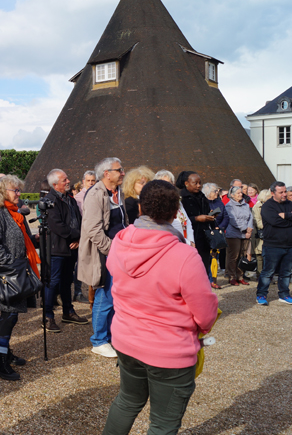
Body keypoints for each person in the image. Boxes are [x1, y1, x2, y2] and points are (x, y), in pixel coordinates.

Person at [102, 180, 219, 435]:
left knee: (127, 401)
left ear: (140, 207)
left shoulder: (120, 241)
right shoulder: (184, 255)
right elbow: (205, 313)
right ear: (176, 211)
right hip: (169, 350)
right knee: (163, 423)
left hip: (126, 340)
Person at [0, 175, 37, 380]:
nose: (19, 194)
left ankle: (6, 352)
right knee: (8, 316)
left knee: (11, 316)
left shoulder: (13, 213)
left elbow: (21, 239)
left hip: (16, 272)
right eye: (15, 190)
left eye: (19, 190)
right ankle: (0, 362)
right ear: (2, 192)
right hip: (7, 275)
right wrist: (10, 264)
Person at [78, 157, 128, 359]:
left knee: (116, 296)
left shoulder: (117, 193)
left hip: (120, 252)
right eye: (119, 170)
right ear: (106, 173)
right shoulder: (96, 194)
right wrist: (112, 250)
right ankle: (99, 341)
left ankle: (110, 337)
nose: (123, 173)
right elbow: (93, 229)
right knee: (105, 296)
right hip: (106, 255)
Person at [43, 169, 88, 333]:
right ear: (55, 184)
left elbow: (79, 220)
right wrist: (77, 236)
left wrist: (78, 239)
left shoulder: (70, 199)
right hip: (57, 249)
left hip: (71, 248)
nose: (68, 181)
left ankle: (68, 311)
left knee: (67, 280)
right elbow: (58, 226)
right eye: (64, 180)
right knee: (52, 282)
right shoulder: (50, 201)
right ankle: (47, 316)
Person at [179, 171, 217, 289]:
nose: (199, 186)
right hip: (189, 237)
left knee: (204, 267)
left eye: (200, 183)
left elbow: (206, 211)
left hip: (204, 237)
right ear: (186, 183)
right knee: (189, 269)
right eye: (195, 183)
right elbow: (179, 219)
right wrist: (196, 218)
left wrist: (210, 217)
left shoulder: (202, 197)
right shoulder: (181, 198)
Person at [256, 182, 292, 306]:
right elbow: (275, 222)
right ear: (273, 193)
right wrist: (290, 219)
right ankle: (261, 294)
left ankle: (284, 294)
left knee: (286, 272)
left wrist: (286, 215)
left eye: (285, 192)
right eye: (281, 192)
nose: (284, 194)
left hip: (289, 245)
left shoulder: (289, 204)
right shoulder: (267, 206)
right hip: (272, 245)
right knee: (268, 272)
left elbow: (282, 221)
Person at [155, 170, 196, 246]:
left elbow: (187, 222)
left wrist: (191, 241)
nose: (167, 186)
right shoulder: (157, 204)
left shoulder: (178, 201)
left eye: (169, 183)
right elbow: (165, 228)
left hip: (185, 243)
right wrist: (187, 242)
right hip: (172, 244)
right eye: (163, 183)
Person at [224, 186, 253, 286]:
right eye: (238, 193)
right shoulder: (229, 206)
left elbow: (250, 216)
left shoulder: (245, 204)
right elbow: (233, 220)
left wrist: (249, 228)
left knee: (242, 256)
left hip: (245, 234)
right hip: (233, 234)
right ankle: (231, 276)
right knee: (234, 256)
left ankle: (240, 276)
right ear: (232, 195)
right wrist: (245, 229)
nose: (241, 195)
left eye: (241, 193)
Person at [252, 189, 272, 277]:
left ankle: (268, 275)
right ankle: (260, 275)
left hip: (270, 233)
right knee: (259, 255)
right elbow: (257, 221)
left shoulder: (271, 206)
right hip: (260, 234)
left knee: (268, 256)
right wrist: (269, 225)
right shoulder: (257, 207)